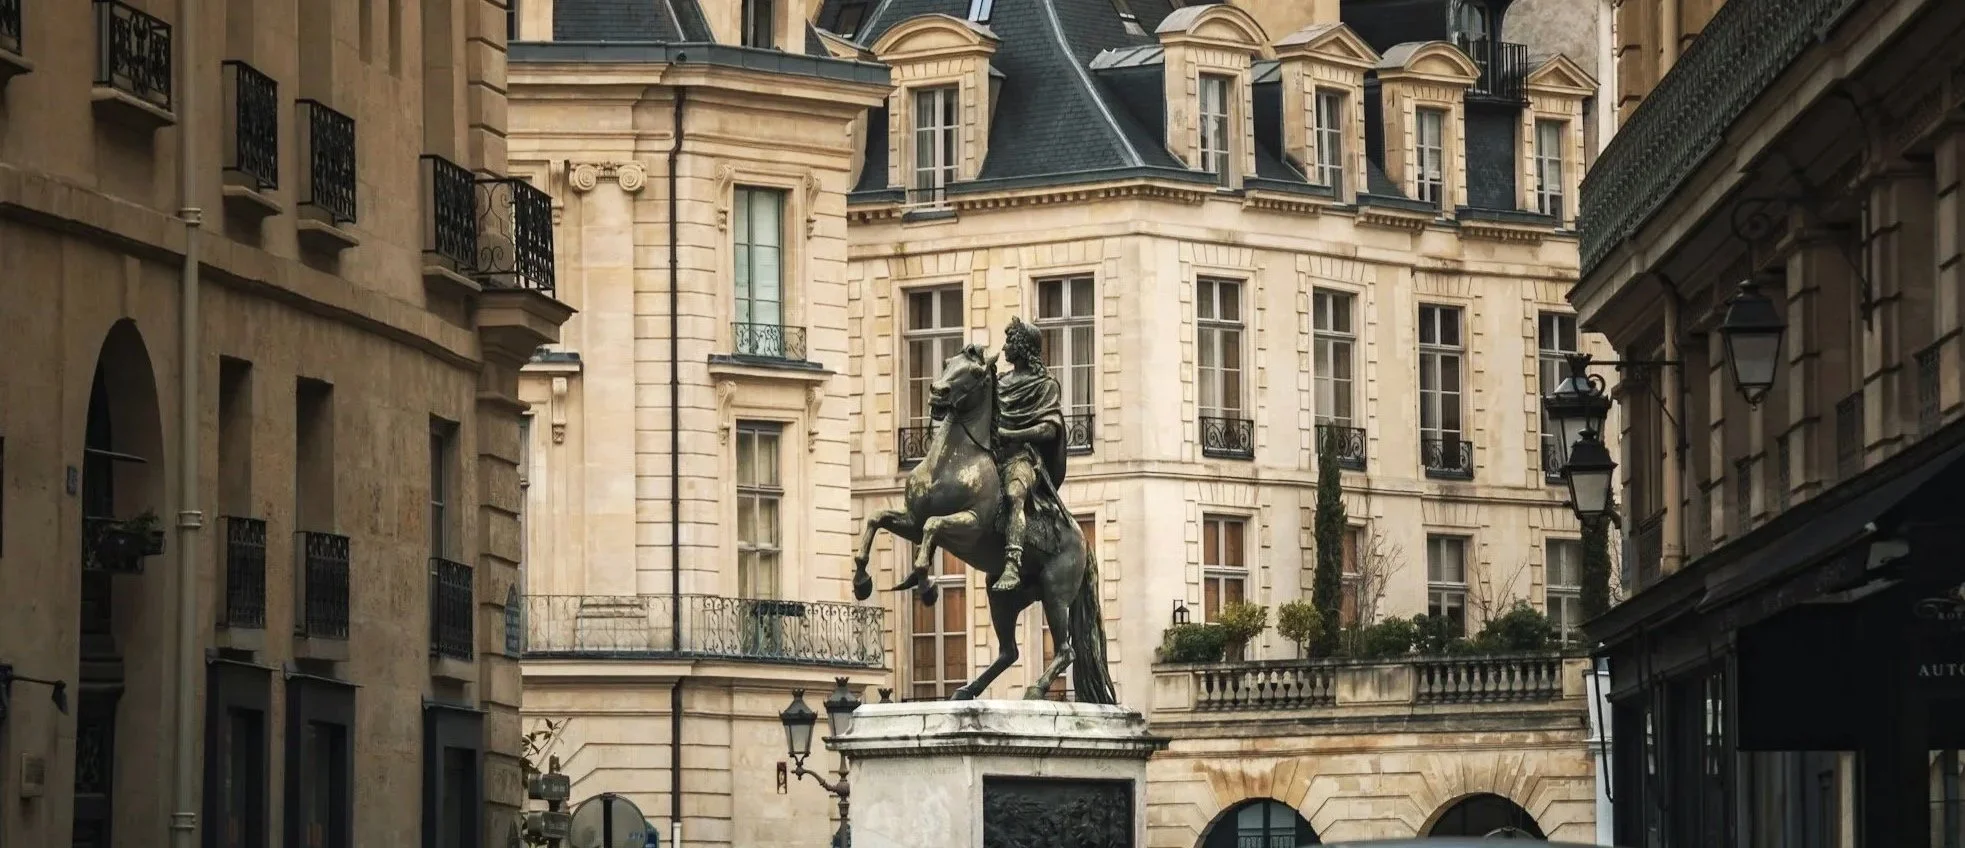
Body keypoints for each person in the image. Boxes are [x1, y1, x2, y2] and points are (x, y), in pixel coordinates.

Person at [991, 316, 1071, 593]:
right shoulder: (999, 383)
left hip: (1022, 457)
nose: (1004, 347)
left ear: (1024, 347)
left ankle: (1012, 562)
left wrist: (1011, 436)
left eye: (1011, 341)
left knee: (1015, 494)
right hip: (994, 455)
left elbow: (1049, 429)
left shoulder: (1046, 385)